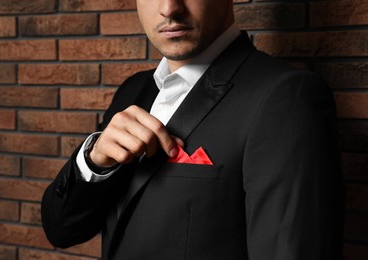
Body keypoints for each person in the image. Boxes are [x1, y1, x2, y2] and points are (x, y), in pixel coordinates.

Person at [41, 0, 344, 259]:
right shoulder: (132, 91)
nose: (169, 9)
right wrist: (93, 162)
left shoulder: (286, 97)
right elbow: (61, 230)